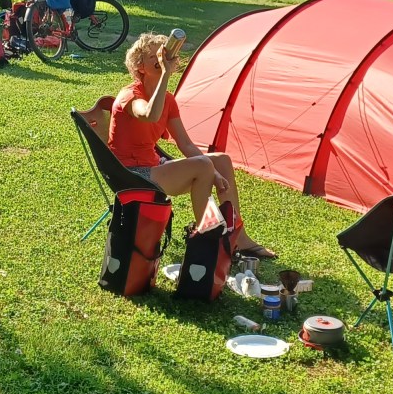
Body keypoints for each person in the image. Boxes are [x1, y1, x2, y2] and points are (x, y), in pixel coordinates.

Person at [108, 32, 276, 259]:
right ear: (140, 67)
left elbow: (186, 144)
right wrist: (166, 73)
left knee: (221, 161)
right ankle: (207, 240)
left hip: (154, 166)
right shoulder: (129, 95)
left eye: (166, 52)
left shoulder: (168, 100)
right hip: (131, 174)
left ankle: (239, 238)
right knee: (202, 166)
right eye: (154, 56)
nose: (163, 58)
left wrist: (215, 172)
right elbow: (149, 114)